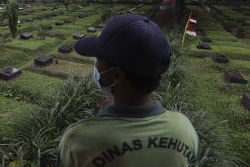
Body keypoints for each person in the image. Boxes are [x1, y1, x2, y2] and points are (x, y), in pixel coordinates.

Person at [58, 14, 198, 167]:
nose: (96, 64)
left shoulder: (78, 140)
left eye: (98, 58)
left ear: (116, 75)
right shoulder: (184, 130)